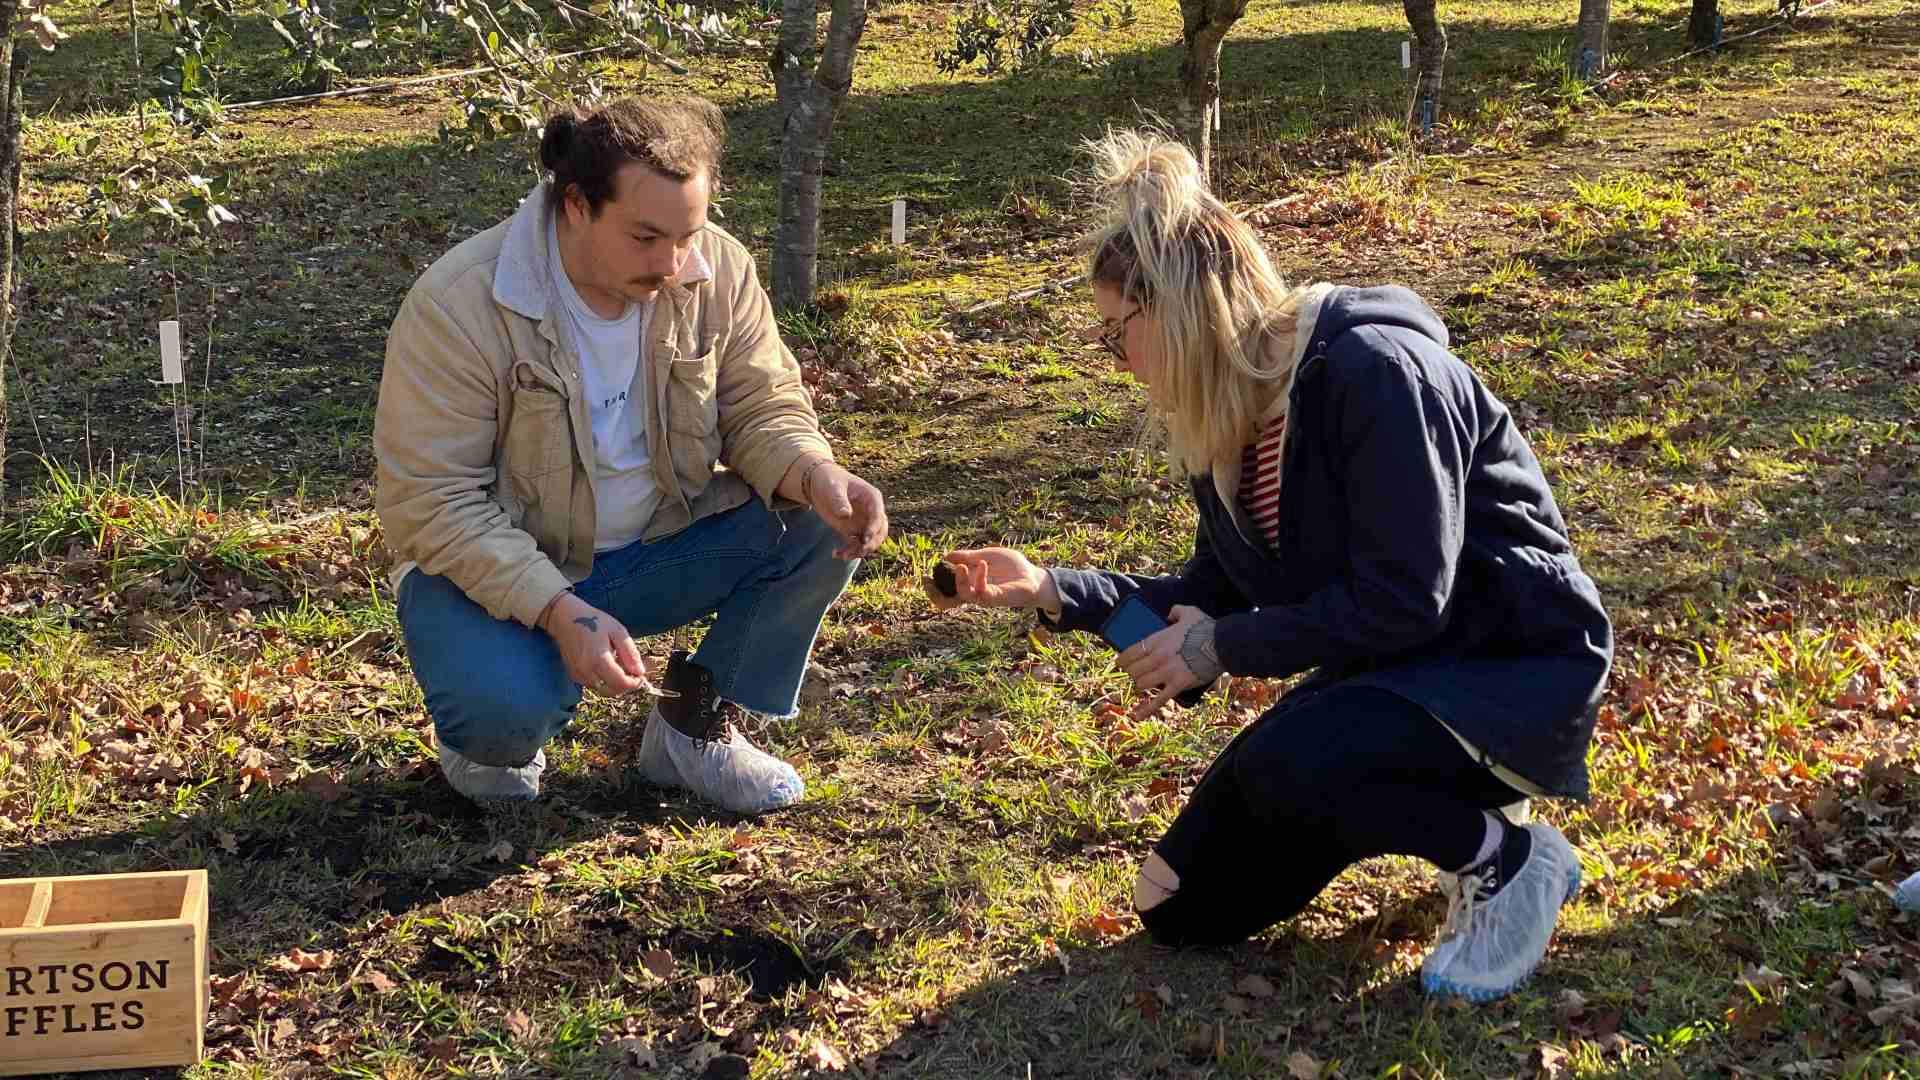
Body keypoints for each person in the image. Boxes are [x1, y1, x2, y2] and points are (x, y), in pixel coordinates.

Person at [927, 130, 1612, 1002]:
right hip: (1397, 679)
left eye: (1116, 333)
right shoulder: (1230, 428)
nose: (1116, 359)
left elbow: (1406, 599)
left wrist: (1223, 647)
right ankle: (1445, 811)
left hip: (1509, 669)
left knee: (1289, 763)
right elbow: (1207, 602)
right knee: (1180, 907)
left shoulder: (1373, 373)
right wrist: (1052, 589)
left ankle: (1508, 859)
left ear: (1176, 311)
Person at [374, 96, 887, 814]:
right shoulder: (459, 305)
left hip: (655, 549)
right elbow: (432, 502)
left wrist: (816, 471)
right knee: (502, 718)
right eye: (646, 237)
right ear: (577, 203)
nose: (674, 263)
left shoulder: (718, 268)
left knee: (812, 519)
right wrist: (557, 611)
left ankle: (692, 730)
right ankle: (488, 733)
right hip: (498, 577)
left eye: (689, 235)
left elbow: (761, 404)